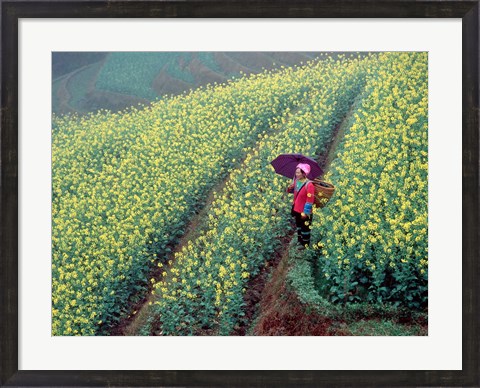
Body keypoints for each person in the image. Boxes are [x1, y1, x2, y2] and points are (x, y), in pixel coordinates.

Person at [286, 163, 315, 249]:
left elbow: (310, 199)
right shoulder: (296, 181)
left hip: (304, 211)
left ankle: (305, 244)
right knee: (299, 226)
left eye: (298, 173)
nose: (296, 174)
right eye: (296, 172)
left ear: (304, 173)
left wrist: (306, 212)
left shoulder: (309, 185)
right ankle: (300, 241)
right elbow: (293, 192)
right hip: (296, 209)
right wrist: (289, 188)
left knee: (305, 228)